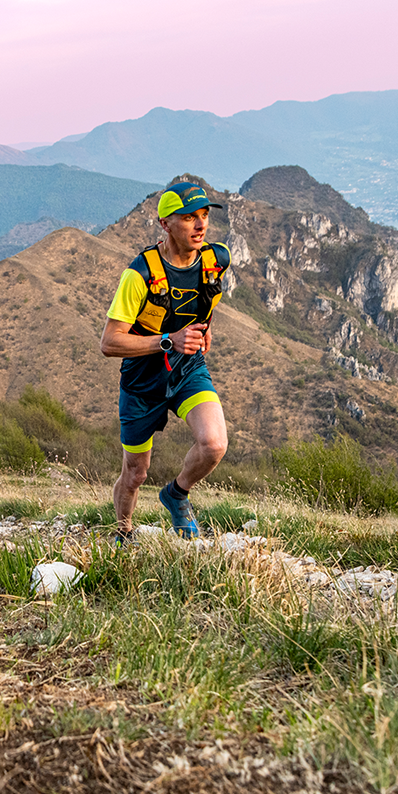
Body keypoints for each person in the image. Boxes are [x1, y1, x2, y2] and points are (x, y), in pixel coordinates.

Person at [100, 181, 230, 543]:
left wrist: (205, 329)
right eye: (188, 218)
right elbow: (109, 343)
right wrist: (168, 340)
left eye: (204, 215)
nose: (200, 225)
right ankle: (123, 533)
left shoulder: (216, 260)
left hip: (187, 369)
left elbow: (207, 299)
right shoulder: (139, 274)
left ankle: (176, 493)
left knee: (214, 444)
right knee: (135, 473)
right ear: (165, 224)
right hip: (142, 381)